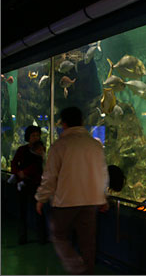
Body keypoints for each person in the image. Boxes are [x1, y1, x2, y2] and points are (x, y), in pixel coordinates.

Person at [35, 106, 108, 275]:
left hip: (66, 201)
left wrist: (41, 198)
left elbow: (50, 176)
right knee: (88, 242)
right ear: (82, 122)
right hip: (91, 201)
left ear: (63, 124)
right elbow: (102, 173)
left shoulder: (59, 146)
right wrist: (103, 197)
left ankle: (77, 268)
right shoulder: (95, 145)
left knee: (58, 234)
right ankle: (87, 271)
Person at [10, 125, 47, 244]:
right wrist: (17, 173)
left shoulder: (41, 149)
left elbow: (37, 165)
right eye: (33, 135)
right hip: (24, 185)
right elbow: (14, 163)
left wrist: (22, 172)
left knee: (39, 211)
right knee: (22, 211)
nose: (36, 138)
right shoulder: (22, 149)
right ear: (28, 137)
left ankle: (42, 237)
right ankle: (23, 237)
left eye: (37, 135)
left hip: (36, 184)